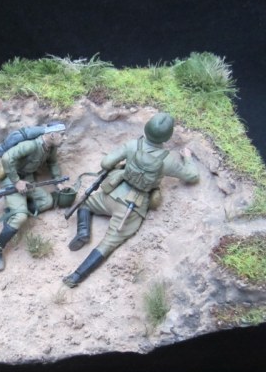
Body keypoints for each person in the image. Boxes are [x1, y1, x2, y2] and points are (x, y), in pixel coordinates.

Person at [63, 113, 199, 288]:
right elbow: (192, 176)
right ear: (167, 136)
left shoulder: (133, 145)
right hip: (132, 208)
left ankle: (83, 231)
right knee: (108, 243)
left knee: (85, 204)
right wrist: (187, 158)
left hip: (111, 195)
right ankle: (75, 277)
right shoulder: (168, 160)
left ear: (146, 129)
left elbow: (106, 163)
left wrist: (121, 166)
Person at [0, 122, 67, 271]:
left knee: (47, 201)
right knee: (20, 217)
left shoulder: (51, 148)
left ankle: (13, 212)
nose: (65, 138)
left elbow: (53, 163)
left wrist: (58, 182)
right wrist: (16, 182)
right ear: (52, 135)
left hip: (28, 179)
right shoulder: (30, 145)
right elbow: (6, 159)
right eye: (62, 134)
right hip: (11, 180)